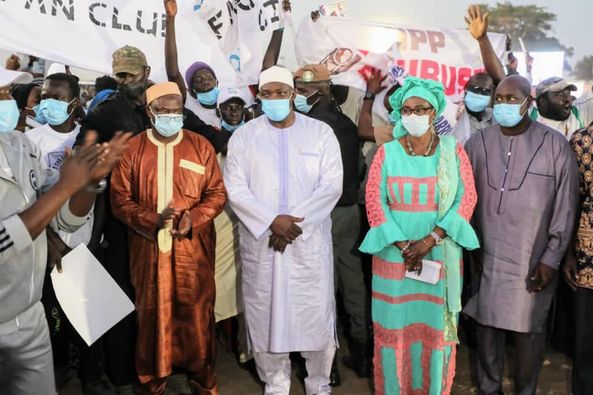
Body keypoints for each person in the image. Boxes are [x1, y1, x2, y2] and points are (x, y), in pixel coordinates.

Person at [0, 66, 130, 394]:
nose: (9, 101)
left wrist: (87, 184)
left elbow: (64, 220)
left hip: (28, 320)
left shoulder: (19, 147)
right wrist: (65, 186)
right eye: (1, 94)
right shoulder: (33, 140)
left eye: (5, 93)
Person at [224, 66, 343, 395]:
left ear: (293, 94)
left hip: (308, 243)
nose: (274, 98)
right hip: (263, 242)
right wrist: (269, 221)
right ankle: (275, 384)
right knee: (265, 316)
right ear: (259, 97)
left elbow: (331, 187)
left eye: (281, 92)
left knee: (315, 314)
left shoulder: (320, 133)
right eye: (268, 93)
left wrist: (291, 223)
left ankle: (318, 384)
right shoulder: (244, 137)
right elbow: (235, 188)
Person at [359, 77, 479, 394]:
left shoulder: (453, 153)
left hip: (439, 255)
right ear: (399, 113)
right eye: (407, 109)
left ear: (434, 111)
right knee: (396, 327)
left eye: (421, 109)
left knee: (434, 329)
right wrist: (402, 244)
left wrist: (430, 240)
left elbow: (466, 199)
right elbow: (375, 199)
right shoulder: (386, 154)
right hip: (393, 257)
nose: (413, 115)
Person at [463, 75, 580, 394]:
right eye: (498, 99)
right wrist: (471, 246)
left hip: (533, 261)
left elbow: (566, 206)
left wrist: (551, 259)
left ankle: (525, 390)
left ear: (530, 103)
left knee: (529, 332)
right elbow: (463, 198)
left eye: (511, 99)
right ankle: (489, 389)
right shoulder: (477, 143)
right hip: (486, 258)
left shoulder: (556, 146)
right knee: (486, 328)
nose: (502, 105)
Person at [110, 82, 226, 395]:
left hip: (194, 250)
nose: (170, 116)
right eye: (163, 111)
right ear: (149, 112)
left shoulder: (200, 145)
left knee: (198, 313)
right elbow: (119, 200)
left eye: (176, 111)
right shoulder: (132, 149)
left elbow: (216, 193)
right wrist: (151, 220)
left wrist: (195, 218)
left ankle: (203, 381)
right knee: (151, 317)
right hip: (148, 250)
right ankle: (153, 382)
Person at [294, 64, 370, 381]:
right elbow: (360, 166)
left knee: (320, 289)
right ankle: (363, 356)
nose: (294, 95)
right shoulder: (346, 123)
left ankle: (329, 366)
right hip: (348, 211)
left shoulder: (305, 126)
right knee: (352, 285)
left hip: (317, 215)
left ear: (317, 90)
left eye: (298, 89)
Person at [565, 124, 593, 395]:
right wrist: (569, 253)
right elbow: (574, 197)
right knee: (586, 342)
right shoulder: (581, 140)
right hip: (588, 255)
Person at [164, 0, 220, 128]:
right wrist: (170, 20)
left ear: (217, 82)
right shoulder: (188, 104)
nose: (205, 82)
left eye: (209, 78)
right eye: (199, 80)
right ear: (192, 91)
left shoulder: (229, 105)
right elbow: (173, 74)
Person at [450, 73, 495, 144]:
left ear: (491, 94)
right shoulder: (453, 116)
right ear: (466, 90)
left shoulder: (495, 116)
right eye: (475, 90)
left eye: (484, 91)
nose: (479, 95)